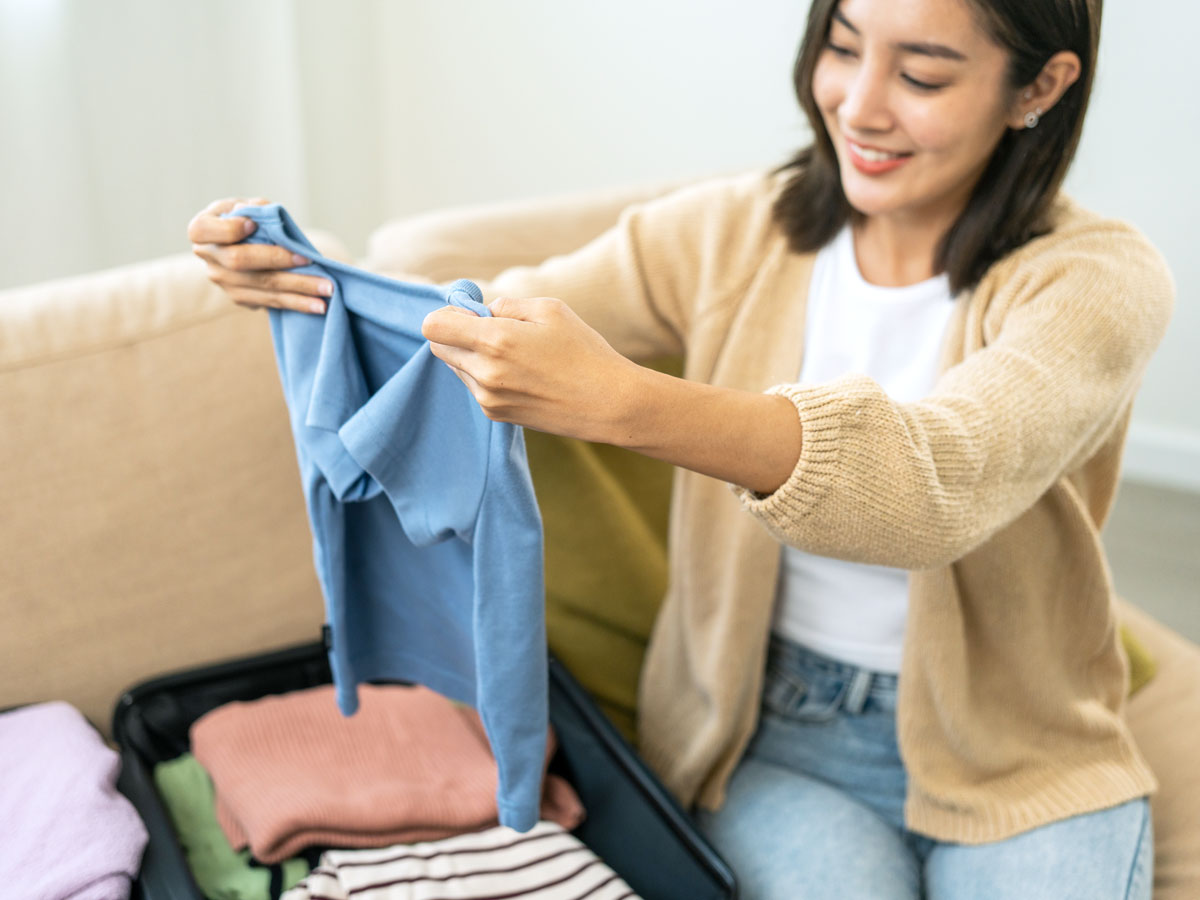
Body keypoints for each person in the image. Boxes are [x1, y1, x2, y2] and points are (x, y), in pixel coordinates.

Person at [188, 0, 1173, 895]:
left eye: (921, 75)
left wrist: (626, 402)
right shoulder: (728, 232)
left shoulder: (1096, 280)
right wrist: (307, 283)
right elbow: (487, 325)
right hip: (762, 736)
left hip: (1021, 745)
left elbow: (933, 485)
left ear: (1037, 87)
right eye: (840, 46)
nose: (859, 106)